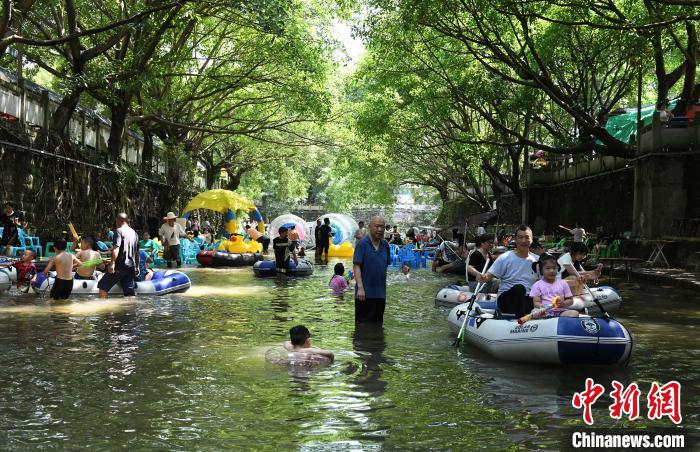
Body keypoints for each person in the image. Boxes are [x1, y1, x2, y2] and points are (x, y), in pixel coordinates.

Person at [477, 225, 539, 318]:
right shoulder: (505, 257)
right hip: (507, 301)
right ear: (515, 239)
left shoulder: (538, 260)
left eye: (527, 237)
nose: (523, 241)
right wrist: (482, 277)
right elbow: (488, 276)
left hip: (528, 299)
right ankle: (521, 320)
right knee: (519, 288)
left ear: (531, 239)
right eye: (520, 237)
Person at [353, 216, 391, 323]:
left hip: (380, 294)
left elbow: (385, 265)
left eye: (382, 227)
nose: (380, 230)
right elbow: (356, 266)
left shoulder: (385, 245)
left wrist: (404, 268)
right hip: (364, 294)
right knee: (362, 327)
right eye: (377, 226)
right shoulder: (362, 244)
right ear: (370, 227)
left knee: (377, 326)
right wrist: (360, 288)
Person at [98, 213, 140, 299]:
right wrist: (137, 266)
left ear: (119, 220)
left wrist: (112, 263)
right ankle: (131, 311)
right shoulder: (134, 233)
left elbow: (116, 248)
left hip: (119, 266)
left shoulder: (118, 231)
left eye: (116, 221)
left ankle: (102, 309)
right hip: (131, 267)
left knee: (102, 286)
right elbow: (137, 252)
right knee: (129, 293)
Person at [529, 254, 579, 318]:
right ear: (541, 270)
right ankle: (545, 318)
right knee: (534, 312)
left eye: (554, 268)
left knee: (574, 313)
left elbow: (570, 300)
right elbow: (536, 302)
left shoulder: (563, 283)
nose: (551, 271)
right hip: (544, 311)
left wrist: (563, 303)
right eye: (548, 268)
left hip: (560, 311)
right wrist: (542, 307)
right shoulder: (537, 285)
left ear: (557, 269)